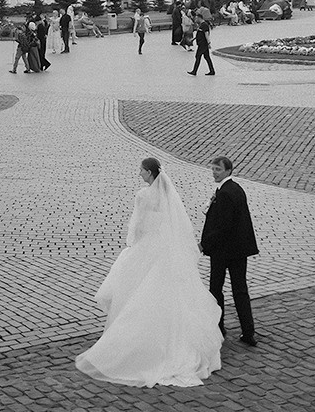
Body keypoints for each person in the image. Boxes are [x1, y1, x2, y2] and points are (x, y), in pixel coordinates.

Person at [75, 157, 222, 388]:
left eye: (142, 170)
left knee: (137, 292)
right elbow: (172, 224)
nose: (139, 174)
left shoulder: (143, 195)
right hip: (163, 248)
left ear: (150, 173)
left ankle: (137, 344)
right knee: (167, 293)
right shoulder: (166, 195)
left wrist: (134, 246)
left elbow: (138, 225)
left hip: (147, 247)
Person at [200, 155, 259, 346]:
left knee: (216, 289)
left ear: (228, 171)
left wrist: (204, 244)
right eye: (213, 169)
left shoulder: (225, 193)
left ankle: (219, 328)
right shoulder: (236, 189)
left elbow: (222, 226)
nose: (214, 173)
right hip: (239, 250)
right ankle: (248, 330)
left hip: (223, 251)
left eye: (218, 169)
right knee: (240, 289)